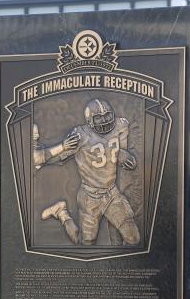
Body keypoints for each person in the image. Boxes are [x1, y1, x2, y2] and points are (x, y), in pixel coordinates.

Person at [35, 98, 140, 246]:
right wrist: (46, 155)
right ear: (89, 120)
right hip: (90, 197)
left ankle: (117, 265)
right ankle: (62, 213)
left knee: (133, 238)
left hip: (112, 193)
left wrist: (123, 155)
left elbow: (119, 151)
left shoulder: (121, 125)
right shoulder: (80, 135)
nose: (104, 121)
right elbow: (60, 158)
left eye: (107, 116)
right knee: (85, 243)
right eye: (99, 118)